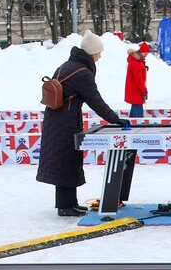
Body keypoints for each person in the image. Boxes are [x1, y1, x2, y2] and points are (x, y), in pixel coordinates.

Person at [36, 30, 130, 217]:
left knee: (64, 161)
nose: (100, 57)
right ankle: (65, 206)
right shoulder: (82, 73)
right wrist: (115, 118)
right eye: (98, 53)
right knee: (66, 161)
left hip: (57, 119)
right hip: (66, 121)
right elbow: (95, 101)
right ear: (91, 52)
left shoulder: (67, 65)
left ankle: (69, 203)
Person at [125, 41, 150, 117]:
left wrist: (144, 68)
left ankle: (131, 124)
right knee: (138, 115)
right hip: (137, 91)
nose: (146, 56)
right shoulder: (136, 64)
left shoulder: (137, 61)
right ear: (141, 52)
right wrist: (144, 92)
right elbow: (139, 80)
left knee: (135, 110)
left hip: (135, 91)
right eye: (145, 54)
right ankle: (135, 126)